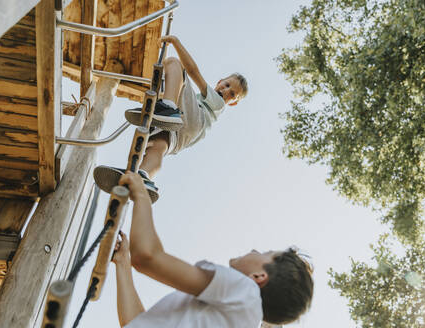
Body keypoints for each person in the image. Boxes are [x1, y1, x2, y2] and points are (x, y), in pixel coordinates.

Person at [112, 171, 314, 327]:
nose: (254, 249)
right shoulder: (238, 316)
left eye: (264, 254)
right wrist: (123, 264)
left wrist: (142, 194)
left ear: (259, 277)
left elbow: (147, 257)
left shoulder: (246, 292)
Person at [94, 35, 248, 202]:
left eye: (232, 94)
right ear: (220, 82)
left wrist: (175, 41)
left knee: (173, 63)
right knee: (158, 147)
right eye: (226, 85)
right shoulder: (201, 100)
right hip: (183, 137)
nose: (226, 91)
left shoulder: (217, 102)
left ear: (232, 103)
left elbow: (192, 71)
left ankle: (168, 108)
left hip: (194, 120)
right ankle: (143, 176)